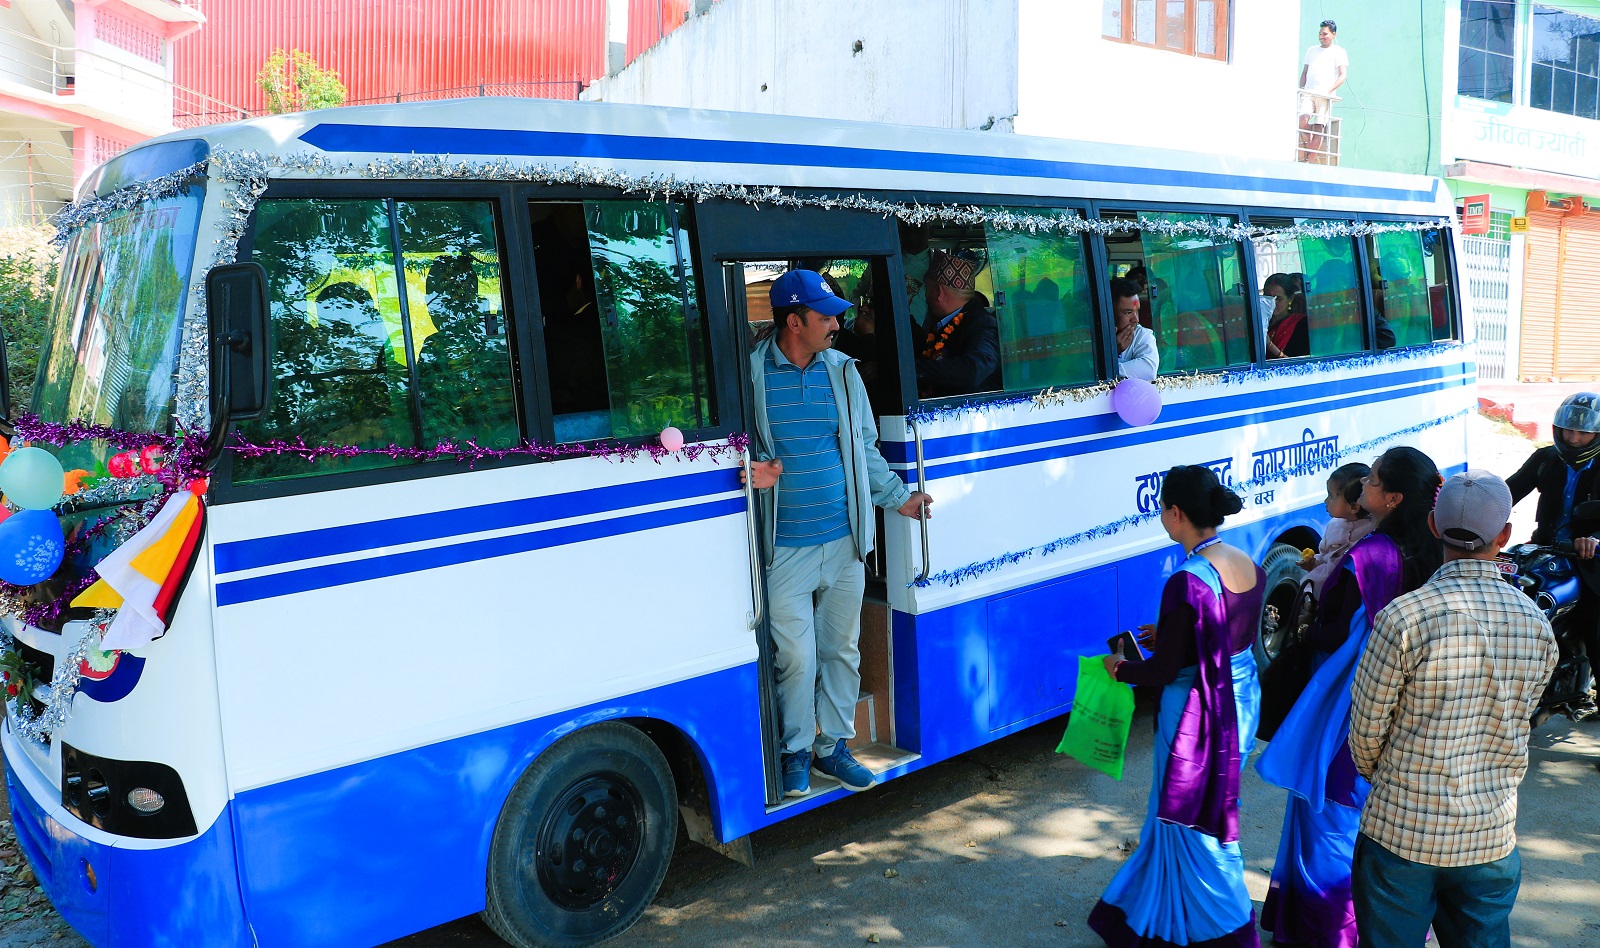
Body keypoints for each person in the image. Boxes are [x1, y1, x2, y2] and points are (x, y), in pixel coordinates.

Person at [741, 269, 934, 797]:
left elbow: (865, 448)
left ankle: (833, 748)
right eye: (826, 316)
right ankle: (797, 750)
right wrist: (752, 468)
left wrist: (899, 498)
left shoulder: (844, 372)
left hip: (846, 542)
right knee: (796, 657)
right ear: (795, 321)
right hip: (784, 547)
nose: (837, 324)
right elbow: (732, 449)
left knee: (841, 650)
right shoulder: (753, 374)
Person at [1348, 470, 1558, 947]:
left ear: (1433, 526)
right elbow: (1523, 715)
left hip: (1401, 831)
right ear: (1505, 535)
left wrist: (1393, 780)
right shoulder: (1535, 623)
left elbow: (1364, 735)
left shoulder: (1403, 617)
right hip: (1489, 833)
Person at [1256, 446, 1442, 948]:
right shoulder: (1429, 548)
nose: (1365, 488)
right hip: (1402, 702)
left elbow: (1340, 633)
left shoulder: (1370, 555)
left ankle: (1330, 935)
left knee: (1327, 819)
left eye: (1374, 481)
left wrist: (1301, 630)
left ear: (1394, 498)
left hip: (1346, 702)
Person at [1088, 466, 1262, 948]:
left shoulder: (1185, 580)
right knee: (1215, 805)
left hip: (1196, 713)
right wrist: (1173, 637)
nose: (1161, 516)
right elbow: (1229, 635)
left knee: (1191, 818)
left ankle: (1228, 931)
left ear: (1177, 513)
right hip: (1241, 700)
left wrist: (1119, 667)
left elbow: (1163, 672)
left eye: (1163, 508)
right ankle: (1169, 919)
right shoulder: (1245, 561)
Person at [1506, 391, 1600, 718]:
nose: (1573, 439)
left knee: (1596, 629)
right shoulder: (1546, 458)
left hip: (1592, 561)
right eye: (1567, 430)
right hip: (1544, 550)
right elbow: (1510, 490)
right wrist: (1478, 514)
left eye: (1583, 432)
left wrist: (1594, 538)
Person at [915, 248, 1001, 397]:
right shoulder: (943, 323)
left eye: (927, 289)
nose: (926, 296)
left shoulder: (982, 324)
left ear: (939, 293)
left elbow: (973, 371)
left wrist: (910, 370)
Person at [1300, 462, 1374, 599]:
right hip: (1321, 598)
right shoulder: (1333, 526)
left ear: (1354, 507)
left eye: (1331, 496)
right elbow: (1324, 558)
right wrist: (1312, 563)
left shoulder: (1372, 532)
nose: (1326, 501)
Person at [1299, 20, 1348, 164]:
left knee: (1319, 127)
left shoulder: (1339, 52)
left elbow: (1342, 75)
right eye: (1320, 34)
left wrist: (1329, 91)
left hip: (1325, 95)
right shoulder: (1311, 50)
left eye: (1325, 34)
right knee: (1303, 121)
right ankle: (1310, 150)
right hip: (1309, 92)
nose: (1321, 36)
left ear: (1333, 34)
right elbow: (1305, 72)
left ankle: (1310, 161)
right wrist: (1301, 89)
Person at [1111, 276, 1159, 381]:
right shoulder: (1090, 336)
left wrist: (1108, 368)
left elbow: (1148, 370)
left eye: (1137, 311)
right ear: (1109, 313)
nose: (1136, 320)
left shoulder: (1142, 335)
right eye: (1128, 313)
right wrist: (1113, 351)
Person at [1263, 272, 1310, 360]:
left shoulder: (1301, 325)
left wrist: (1270, 345)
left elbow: (1301, 366)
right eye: (1268, 298)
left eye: (1278, 298)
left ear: (1290, 299)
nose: (1273, 303)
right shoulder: (1259, 323)